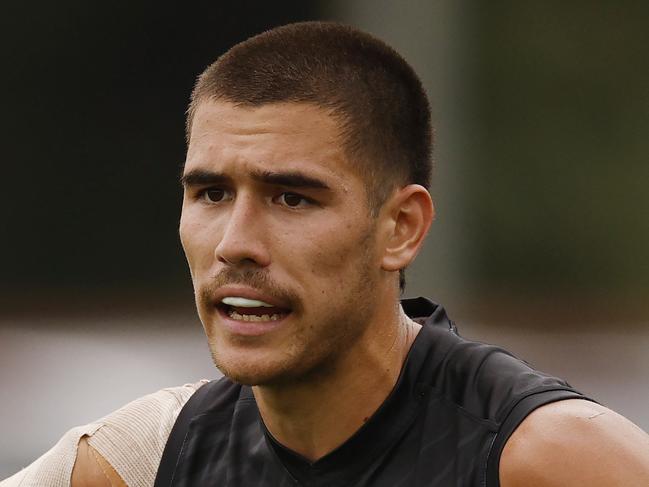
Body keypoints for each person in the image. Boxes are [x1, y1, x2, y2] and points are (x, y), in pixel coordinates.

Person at [3, 21, 649, 487]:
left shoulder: (554, 459)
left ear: (400, 227)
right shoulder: (144, 456)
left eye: (290, 198)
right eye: (211, 192)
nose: (235, 242)